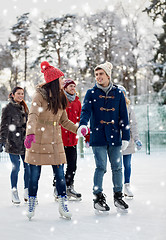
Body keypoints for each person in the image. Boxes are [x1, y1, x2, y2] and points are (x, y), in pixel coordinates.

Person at [24, 61, 81, 220]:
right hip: (38, 138)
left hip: (56, 139)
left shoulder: (61, 96)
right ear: (55, 81)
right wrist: (30, 133)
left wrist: (79, 129)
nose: (64, 81)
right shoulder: (39, 96)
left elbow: (64, 121)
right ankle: (32, 201)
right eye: (61, 79)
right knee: (34, 174)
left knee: (60, 175)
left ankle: (63, 203)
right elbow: (33, 116)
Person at [78, 61, 130, 211]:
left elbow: (123, 117)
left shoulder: (118, 93)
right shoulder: (91, 93)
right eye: (96, 74)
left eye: (101, 74)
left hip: (115, 136)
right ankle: (98, 197)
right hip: (98, 136)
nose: (98, 77)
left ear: (108, 75)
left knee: (117, 168)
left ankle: (118, 196)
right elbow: (86, 111)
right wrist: (83, 124)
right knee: (101, 167)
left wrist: (125, 136)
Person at [53, 79, 82, 200]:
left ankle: (69, 186)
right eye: (70, 86)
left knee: (72, 165)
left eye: (74, 86)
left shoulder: (77, 102)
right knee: (59, 165)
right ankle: (57, 188)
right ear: (64, 88)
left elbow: (80, 118)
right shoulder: (59, 101)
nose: (73, 88)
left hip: (72, 140)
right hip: (60, 139)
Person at [0, 86, 30, 204]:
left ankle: (27, 190)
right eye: (18, 94)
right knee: (16, 168)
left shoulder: (25, 107)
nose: (21, 96)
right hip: (13, 142)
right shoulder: (8, 108)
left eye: (22, 94)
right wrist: (2, 140)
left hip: (25, 143)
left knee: (28, 168)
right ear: (12, 94)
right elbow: (4, 126)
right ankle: (14, 191)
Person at [118, 85, 142, 198]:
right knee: (117, 166)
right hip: (116, 141)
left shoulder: (129, 108)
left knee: (127, 164)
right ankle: (117, 188)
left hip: (128, 140)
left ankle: (127, 186)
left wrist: (136, 138)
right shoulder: (113, 107)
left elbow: (133, 124)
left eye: (123, 93)